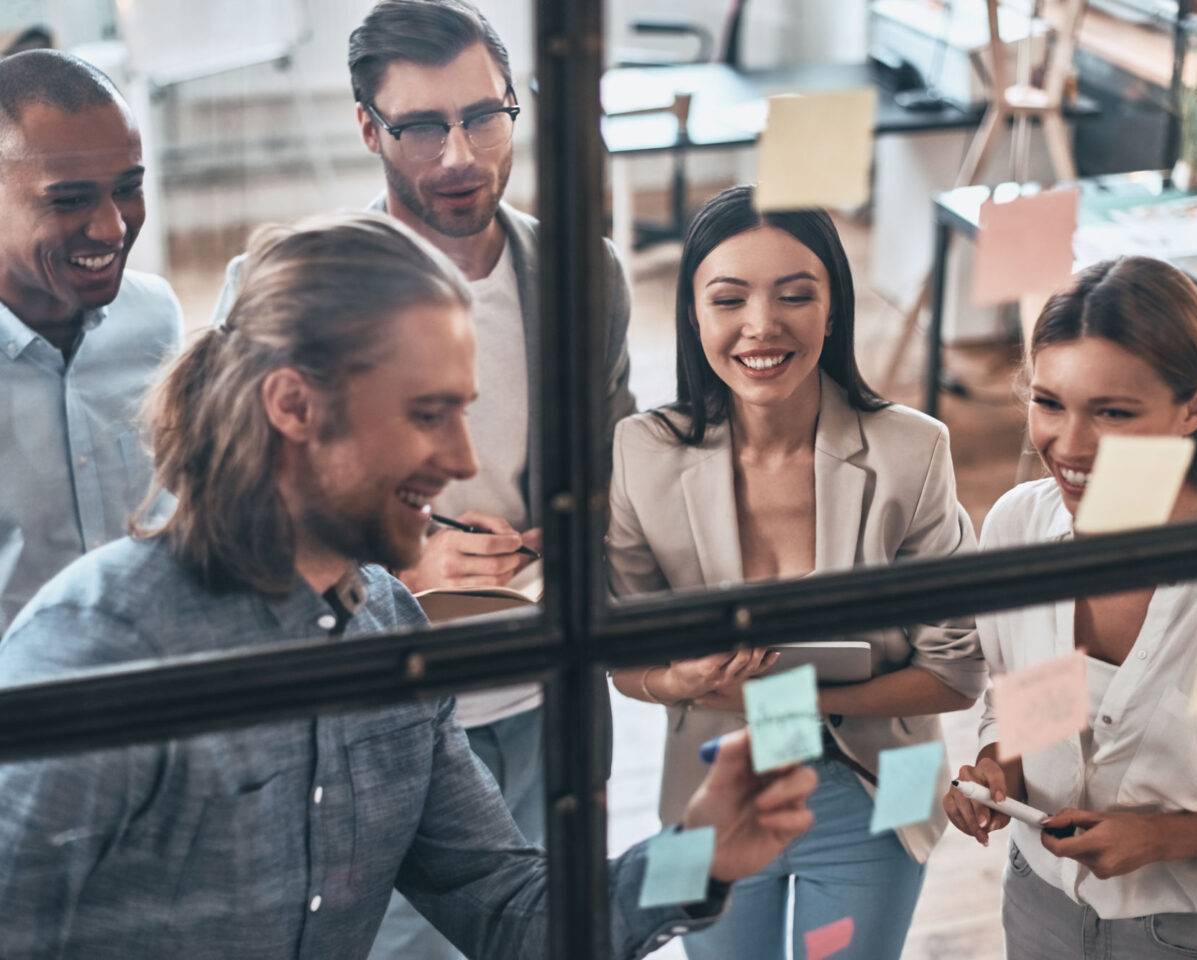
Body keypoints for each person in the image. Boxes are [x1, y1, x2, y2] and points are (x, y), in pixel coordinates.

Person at [0, 212, 817, 960]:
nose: (462, 461)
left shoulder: (390, 627)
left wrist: (696, 852)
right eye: (428, 414)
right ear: (294, 405)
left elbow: (510, 910)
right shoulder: (95, 646)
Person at [213, 9, 634, 951]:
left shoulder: (584, 274)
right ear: (368, 128)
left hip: (547, 698)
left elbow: (613, 473)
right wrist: (406, 558)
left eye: (484, 117)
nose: (459, 155)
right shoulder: (286, 287)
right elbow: (224, 514)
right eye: (420, 126)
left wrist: (571, 545)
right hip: (378, 715)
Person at [607, 185, 987, 960]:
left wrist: (786, 698)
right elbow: (625, 658)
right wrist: (675, 682)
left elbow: (957, 674)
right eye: (729, 298)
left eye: (795, 296)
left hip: (885, 792)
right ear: (693, 315)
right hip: (706, 794)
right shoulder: (640, 455)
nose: (761, 325)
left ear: (833, 310)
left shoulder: (915, 452)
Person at [943, 256, 1197, 959]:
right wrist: (996, 765)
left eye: (1113, 413)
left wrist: (1164, 837)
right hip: (1036, 901)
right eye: (1049, 402)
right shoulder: (1018, 529)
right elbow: (1030, 700)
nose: (1069, 446)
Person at [0, 49, 181, 633]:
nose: (112, 227)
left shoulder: (155, 319)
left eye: (127, 188)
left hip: (157, 693)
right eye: (70, 199)